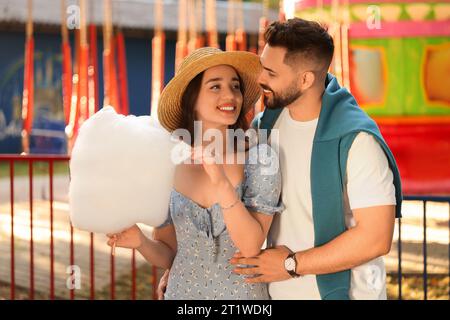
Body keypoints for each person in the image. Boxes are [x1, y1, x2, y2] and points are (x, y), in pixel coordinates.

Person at [228, 18, 403, 300]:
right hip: (278, 294)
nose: (260, 79)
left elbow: (377, 237)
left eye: (271, 73)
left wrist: (292, 264)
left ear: (306, 79)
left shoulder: (357, 141)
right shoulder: (265, 127)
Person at [107, 47, 283, 300]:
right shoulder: (168, 164)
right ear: (192, 98)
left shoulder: (260, 158)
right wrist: (141, 242)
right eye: (215, 86)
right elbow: (170, 254)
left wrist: (220, 182)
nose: (230, 95)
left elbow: (251, 245)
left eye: (235, 87)